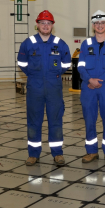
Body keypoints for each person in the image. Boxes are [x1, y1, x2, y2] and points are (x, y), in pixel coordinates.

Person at [17, 10, 71, 166]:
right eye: (42, 23)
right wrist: (34, 75)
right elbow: (22, 63)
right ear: (37, 24)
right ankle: (33, 154)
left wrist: (54, 75)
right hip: (35, 87)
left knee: (56, 120)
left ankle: (57, 153)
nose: (45, 26)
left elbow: (66, 64)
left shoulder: (60, 43)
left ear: (52, 25)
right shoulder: (28, 43)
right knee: (34, 121)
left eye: (48, 23)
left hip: (54, 87)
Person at [78, 10, 105, 164]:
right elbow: (80, 66)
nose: (100, 25)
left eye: (103, 23)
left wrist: (98, 81)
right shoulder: (86, 44)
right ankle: (91, 151)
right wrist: (90, 80)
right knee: (89, 119)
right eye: (97, 23)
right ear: (93, 26)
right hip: (88, 86)